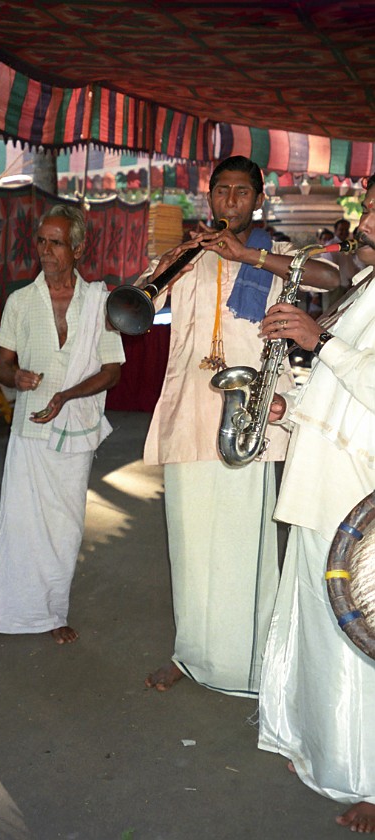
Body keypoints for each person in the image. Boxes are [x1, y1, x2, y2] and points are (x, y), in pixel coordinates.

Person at [142, 155, 339, 696]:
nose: (230, 201)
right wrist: (180, 255)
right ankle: (191, 656)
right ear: (210, 198)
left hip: (248, 417)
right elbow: (137, 303)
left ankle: (251, 660)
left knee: (239, 545)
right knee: (187, 544)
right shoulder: (188, 255)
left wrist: (248, 255)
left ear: (259, 198)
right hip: (189, 412)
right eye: (221, 192)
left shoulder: (273, 256)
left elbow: (329, 275)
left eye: (240, 192)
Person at [258, 175, 375, 833]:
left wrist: (317, 338)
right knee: (317, 623)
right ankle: (321, 745)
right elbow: (340, 392)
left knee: (362, 638)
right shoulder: (365, 287)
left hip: (359, 499)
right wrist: (290, 409)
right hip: (321, 479)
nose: (368, 217)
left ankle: (372, 779)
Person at [0, 204, 124, 645]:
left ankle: (53, 612)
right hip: (30, 428)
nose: (46, 251)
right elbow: (0, 365)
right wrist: (13, 377)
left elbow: (112, 370)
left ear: (78, 247)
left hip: (76, 430)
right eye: (41, 241)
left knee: (65, 526)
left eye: (56, 242)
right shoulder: (21, 301)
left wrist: (67, 395)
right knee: (18, 522)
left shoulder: (99, 303)